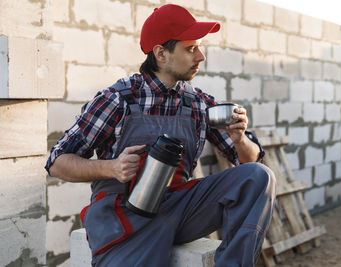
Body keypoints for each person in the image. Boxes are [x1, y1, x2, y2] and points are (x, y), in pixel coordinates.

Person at [46, 4, 276, 267]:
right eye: (190, 48)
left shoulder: (198, 104)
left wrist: (240, 139)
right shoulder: (118, 99)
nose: (200, 56)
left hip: (177, 209)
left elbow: (250, 162)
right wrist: (111, 167)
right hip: (123, 217)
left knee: (259, 176)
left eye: (199, 47)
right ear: (161, 54)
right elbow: (56, 162)